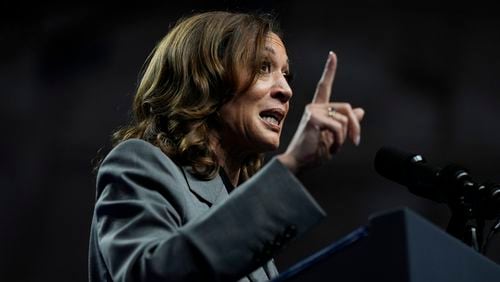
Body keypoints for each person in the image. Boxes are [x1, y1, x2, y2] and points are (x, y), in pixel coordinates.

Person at [88, 11, 364, 282]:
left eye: (286, 74)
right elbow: (151, 274)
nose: (286, 90)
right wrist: (290, 164)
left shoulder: (243, 208)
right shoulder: (139, 162)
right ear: (206, 79)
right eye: (262, 67)